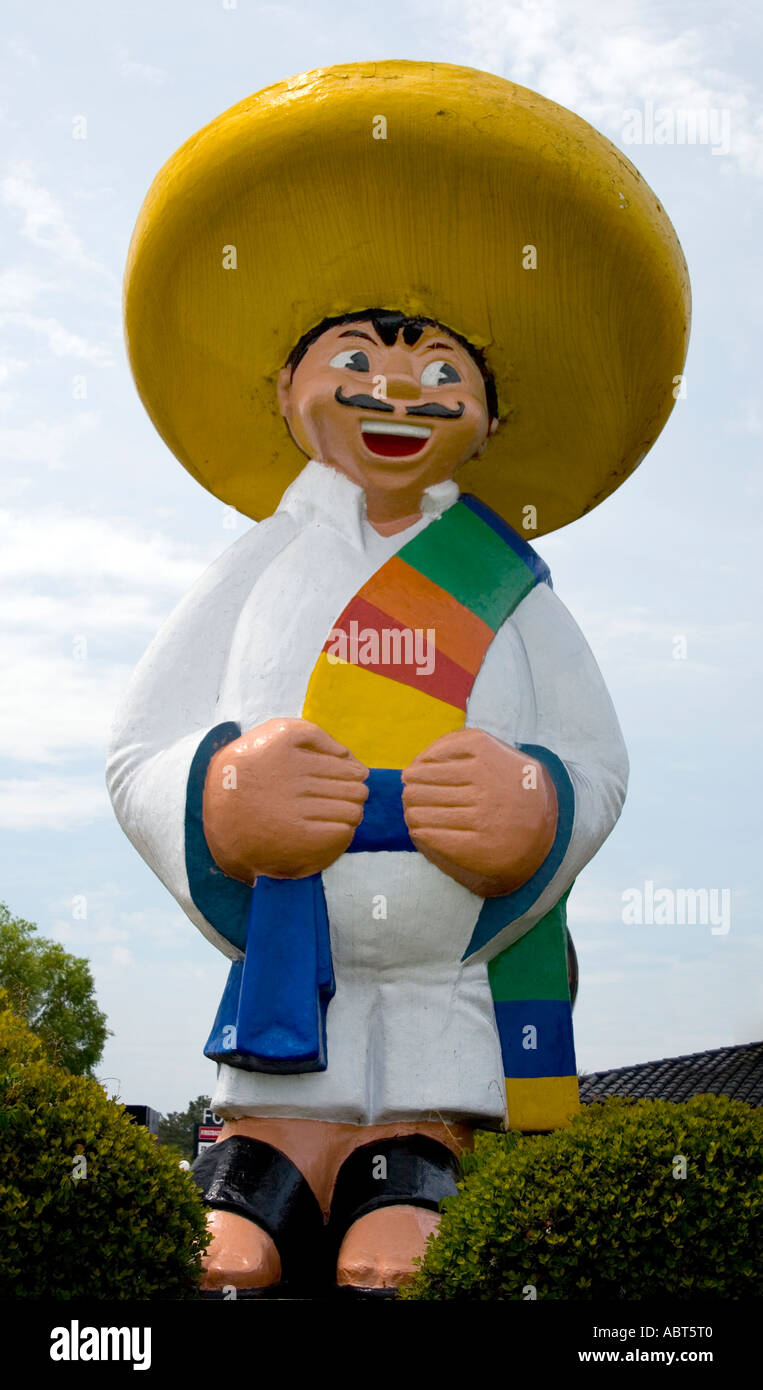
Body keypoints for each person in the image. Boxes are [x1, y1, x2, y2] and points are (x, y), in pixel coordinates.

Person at [110, 62, 690, 1294]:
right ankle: (265, 1161)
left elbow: (599, 760)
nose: (395, 390)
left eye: (440, 372)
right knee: (234, 1261)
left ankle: (403, 1156)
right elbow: (136, 746)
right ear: (286, 389)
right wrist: (218, 791)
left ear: (485, 417)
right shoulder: (260, 561)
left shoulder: (505, 583)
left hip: (445, 999)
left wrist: (536, 805)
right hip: (282, 960)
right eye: (357, 357)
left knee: (395, 1253)